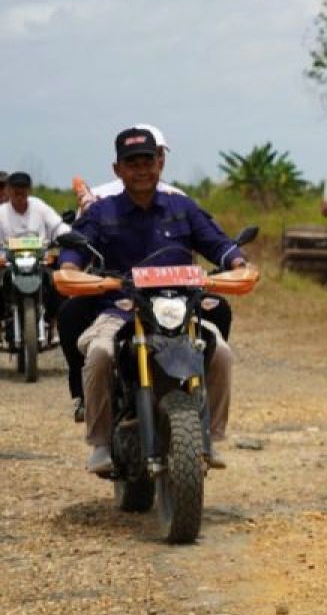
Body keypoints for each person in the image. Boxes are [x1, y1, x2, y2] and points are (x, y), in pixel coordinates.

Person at [59, 128, 251, 474]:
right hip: (120, 310)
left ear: (159, 163)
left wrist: (237, 263)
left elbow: (218, 244)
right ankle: (100, 442)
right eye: (132, 163)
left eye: (147, 161)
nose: (141, 169)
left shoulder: (182, 207)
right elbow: (73, 254)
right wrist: (73, 269)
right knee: (100, 354)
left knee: (220, 352)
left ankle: (210, 434)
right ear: (118, 170)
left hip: (180, 310)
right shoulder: (102, 213)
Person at [0, 171, 72, 334]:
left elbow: (57, 225)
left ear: (29, 190)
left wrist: (67, 235)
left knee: (59, 284)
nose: (19, 193)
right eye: (15, 189)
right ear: (8, 191)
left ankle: (56, 321)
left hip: (39, 262)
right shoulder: (2, 212)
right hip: (9, 263)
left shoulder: (39, 206)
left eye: (23, 189)